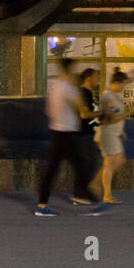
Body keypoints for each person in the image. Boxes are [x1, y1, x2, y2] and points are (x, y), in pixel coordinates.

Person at [36, 58, 108, 218]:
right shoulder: (70, 88)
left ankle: (41, 205)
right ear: (69, 70)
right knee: (82, 167)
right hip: (67, 134)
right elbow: (84, 113)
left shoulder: (54, 87)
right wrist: (101, 113)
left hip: (56, 132)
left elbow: (48, 111)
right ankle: (90, 200)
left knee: (52, 171)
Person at [97, 70, 130, 204]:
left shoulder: (114, 96)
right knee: (110, 163)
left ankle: (99, 186)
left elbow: (116, 115)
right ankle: (106, 194)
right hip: (108, 133)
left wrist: (121, 131)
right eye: (124, 84)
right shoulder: (108, 97)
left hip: (113, 133)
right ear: (117, 83)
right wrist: (126, 114)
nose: (124, 87)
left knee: (118, 161)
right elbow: (112, 117)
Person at [78, 68, 104, 202]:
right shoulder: (83, 93)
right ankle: (82, 193)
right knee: (92, 162)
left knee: (92, 162)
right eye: (95, 77)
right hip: (84, 133)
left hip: (90, 133)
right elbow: (84, 114)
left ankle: (84, 192)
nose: (97, 80)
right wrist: (102, 113)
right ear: (88, 78)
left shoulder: (89, 93)